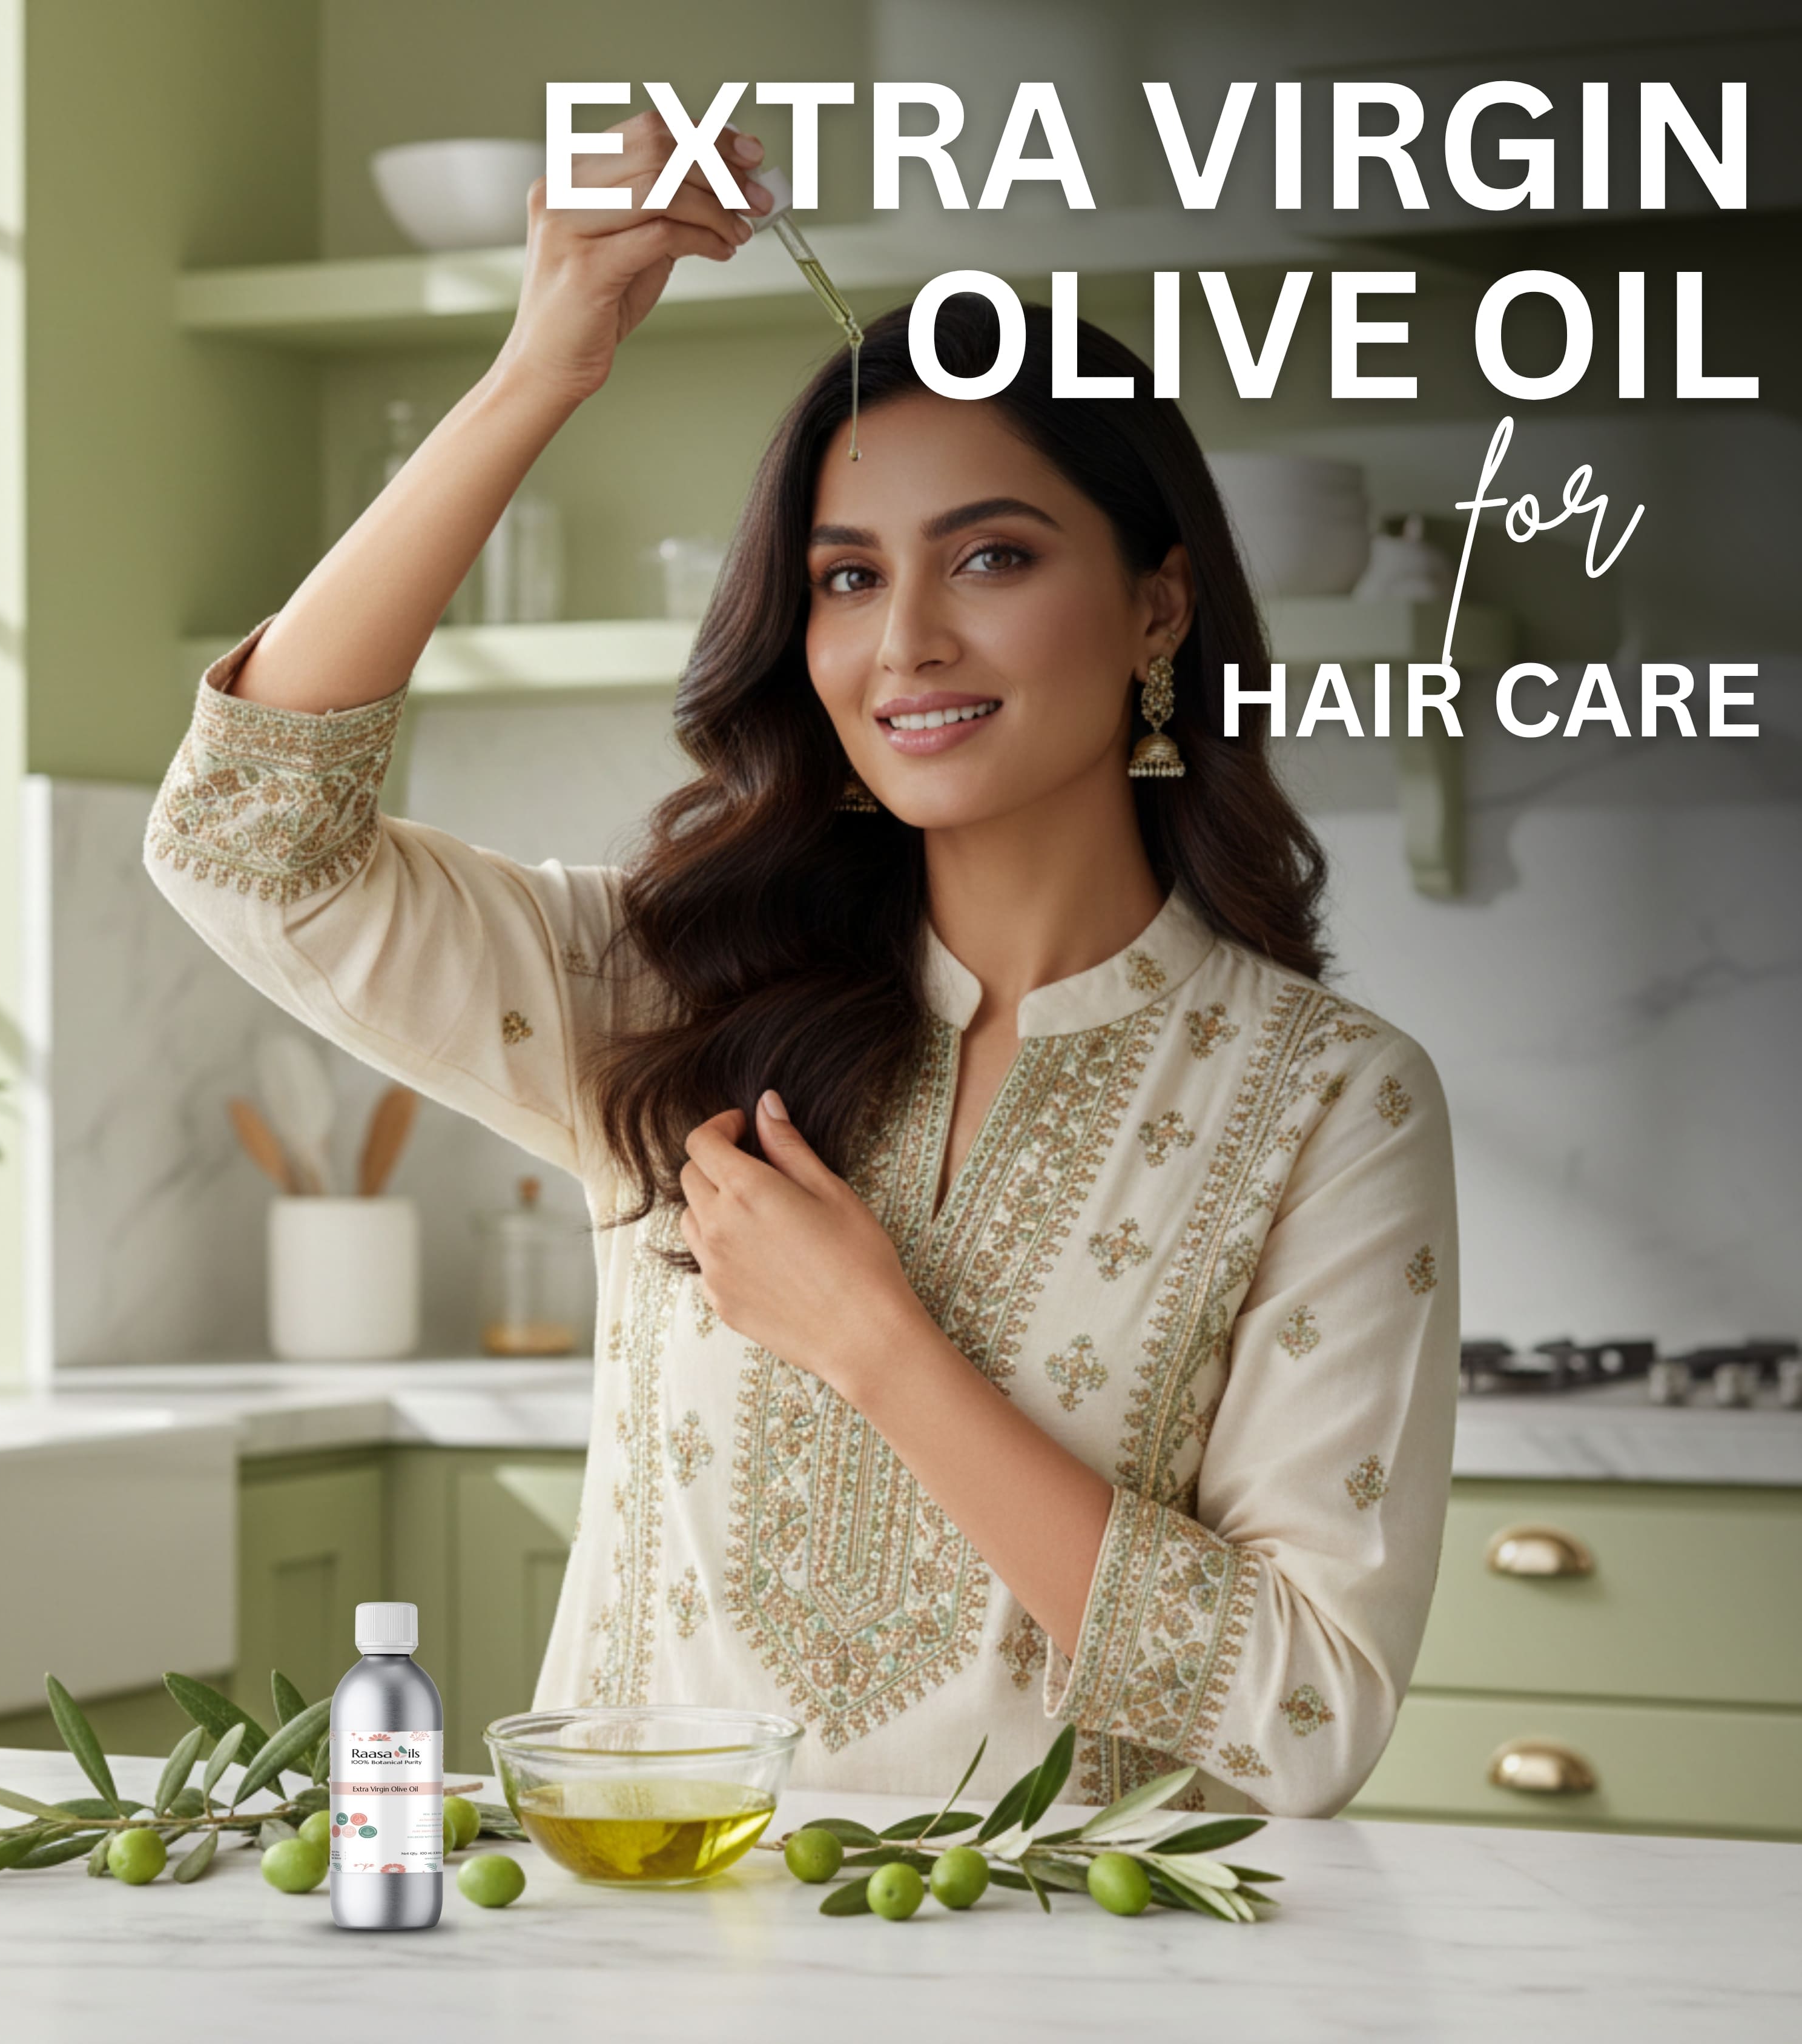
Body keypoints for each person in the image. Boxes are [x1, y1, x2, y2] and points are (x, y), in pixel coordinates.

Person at [145, 113, 1459, 1816]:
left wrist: (879, 1348)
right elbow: (245, 843)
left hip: (1070, 1949)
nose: (907, 638)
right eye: (847, 578)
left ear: (1159, 606)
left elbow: (1308, 1719)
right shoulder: (667, 994)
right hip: (635, 1927)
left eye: (992, 556)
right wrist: (542, 368)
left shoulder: (1329, 1101)